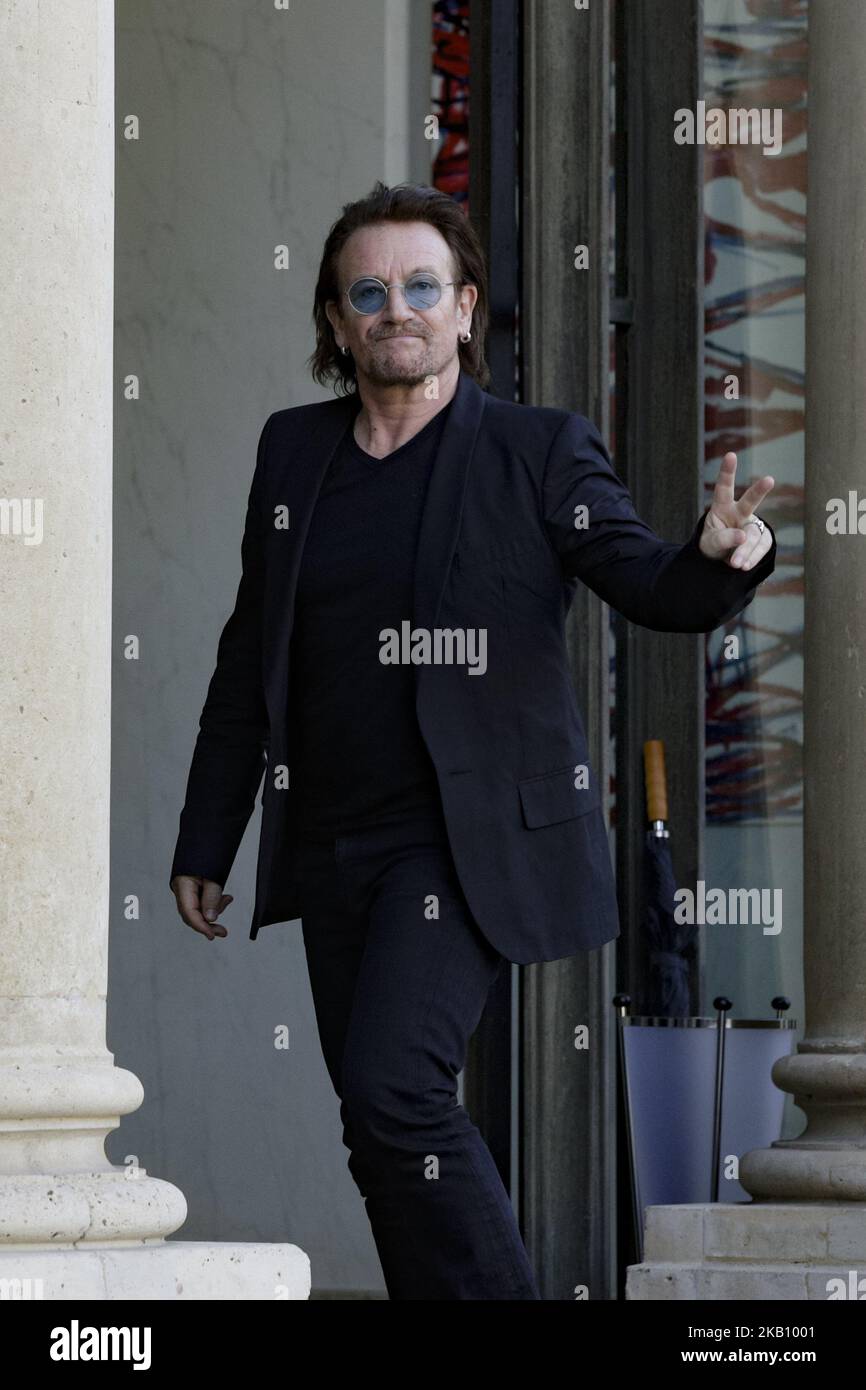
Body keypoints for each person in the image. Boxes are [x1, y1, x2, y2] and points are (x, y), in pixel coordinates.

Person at [169, 181, 776, 1300]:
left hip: (460, 841)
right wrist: (209, 834)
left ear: (462, 311)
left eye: (418, 286)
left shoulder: (536, 451)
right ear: (337, 322)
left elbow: (647, 581)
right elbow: (249, 653)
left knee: (395, 1088)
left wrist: (722, 554)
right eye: (367, 290)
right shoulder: (293, 455)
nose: (393, 307)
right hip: (333, 834)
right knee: (377, 1122)